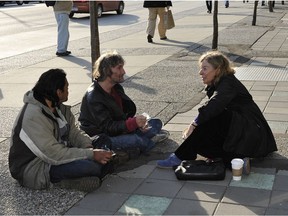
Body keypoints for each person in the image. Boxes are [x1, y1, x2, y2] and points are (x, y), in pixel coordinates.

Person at [157, 51, 277, 169]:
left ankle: (179, 156)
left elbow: (215, 105)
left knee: (211, 117)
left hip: (252, 131)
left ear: (218, 69)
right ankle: (233, 160)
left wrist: (194, 124)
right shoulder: (219, 81)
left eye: (205, 68)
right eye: (201, 68)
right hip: (242, 129)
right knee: (200, 140)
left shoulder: (228, 82)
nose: (200, 72)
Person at [8, 69, 114, 192]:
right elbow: (54, 154)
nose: (69, 91)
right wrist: (91, 155)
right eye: (67, 88)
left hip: (62, 151)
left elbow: (74, 132)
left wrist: (88, 148)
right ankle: (65, 181)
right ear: (58, 92)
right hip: (38, 166)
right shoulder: (32, 116)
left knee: (103, 140)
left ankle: (100, 167)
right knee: (92, 167)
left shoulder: (57, 107)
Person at [78, 50, 169, 155]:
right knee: (136, 140)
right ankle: (146, 141)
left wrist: (137, 124)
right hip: (102, 137)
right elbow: (107, 128)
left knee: (155, 123)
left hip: (119, 130)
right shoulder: (94, 96)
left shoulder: (116, 87)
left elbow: (122, 116)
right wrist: (132, 124)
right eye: (119, 68)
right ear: (107, 70)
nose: (124, 72)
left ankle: (142, 140)